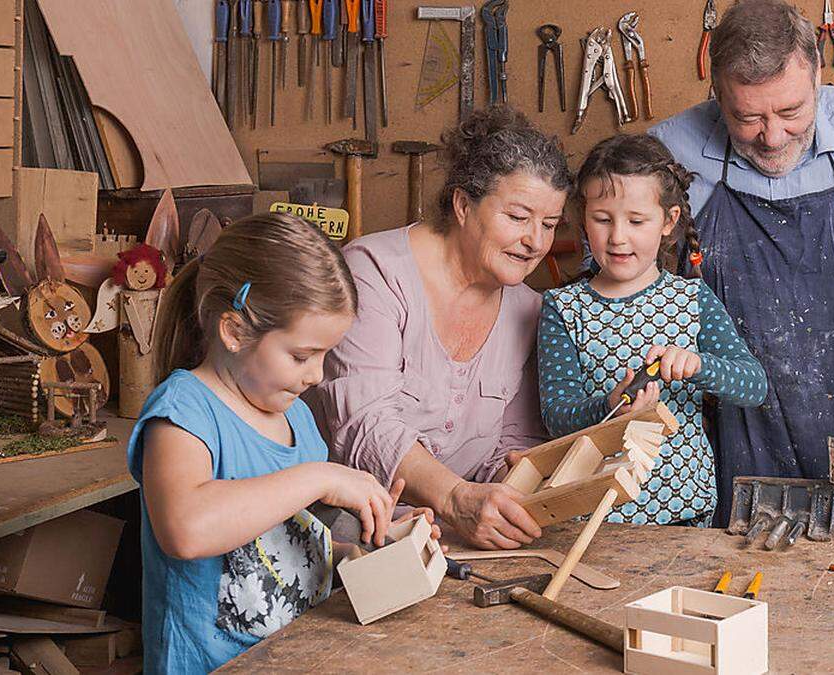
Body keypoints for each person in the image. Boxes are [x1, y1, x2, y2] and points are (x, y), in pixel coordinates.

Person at [649, 0, 834, 532]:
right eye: (747, 118)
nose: (771, 137)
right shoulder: (668, 149)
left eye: (791, 112)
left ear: (818, 74)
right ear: (716, 95)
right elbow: (611, 284)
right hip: (725, 440)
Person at [129, 213, 438, 673]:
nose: (316, 375)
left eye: (326, 355)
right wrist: (322, 476)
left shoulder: (294, 415)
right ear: (234, 332)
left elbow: (299, 535)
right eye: (301, 355)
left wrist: (380, 537)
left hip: (293, 657)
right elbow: (185, 530)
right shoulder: (184, 411)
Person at [303, 106, 573, 550]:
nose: (536, 243)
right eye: (518, 217)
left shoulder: (530, 309)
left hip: (450, 539)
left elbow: (510, 443)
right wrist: (456, 497)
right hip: (344, 534)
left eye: (549, 225)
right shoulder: (373, 273)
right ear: (463, 205)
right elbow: (363, 424)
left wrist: (508, 491)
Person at [538, 134, 768, 525]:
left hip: (687, 513)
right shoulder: (563, 309)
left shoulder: (691, 299)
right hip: (597, 516)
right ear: (582, 218)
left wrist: (698, 365)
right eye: (602, 219)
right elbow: (557, 417)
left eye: (636, 220)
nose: (618, 237)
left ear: (669, 221)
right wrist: (609, 407)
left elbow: (754, 386)